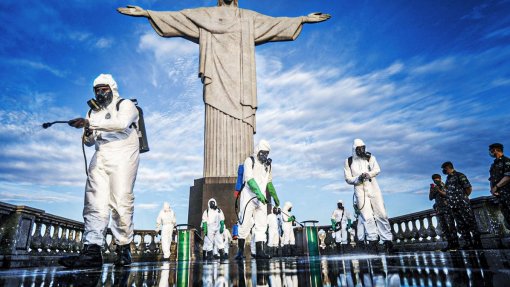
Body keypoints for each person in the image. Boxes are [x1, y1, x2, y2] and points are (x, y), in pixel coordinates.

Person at [117, 2, 330, 178]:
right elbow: (180, 19)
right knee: (216, 127)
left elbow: (274, 24)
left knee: (242, 136)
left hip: (241, 84)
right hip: (216, 83)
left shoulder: (248, 17)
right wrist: (147, 13)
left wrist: (302, 19)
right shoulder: (206, 15)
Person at [59, 74, 140, 268]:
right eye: (97, 90)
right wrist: (87, 130)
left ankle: (123, 248)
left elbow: (121, 124)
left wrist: (90, 124)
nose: (100, 93)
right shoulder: (92, 112)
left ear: (112, 88)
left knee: (121, 200)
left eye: (104, 89)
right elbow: (89, 142)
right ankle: (92, 250)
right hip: (101, 155)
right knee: (94, 202)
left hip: (123, 155)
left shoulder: (126, 104)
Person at [344, 139, 393, 253]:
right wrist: (358, 178)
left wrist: (368, 174)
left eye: (363, 148)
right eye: (359, 148)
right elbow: (347, 178)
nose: (362, 150)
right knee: (367, 217)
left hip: (373, 187)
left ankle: (387, 241)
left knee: (381, 213)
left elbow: (377, 169)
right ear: (354, 149)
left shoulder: (370, 157)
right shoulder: (349, 161)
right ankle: (373, 242)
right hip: (360, 189)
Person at [235, 139, 280, 259]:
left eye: (267, 153)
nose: (265, 155)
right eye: (263, 152)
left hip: (262, 198)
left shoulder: (268, 166)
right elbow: (249, 179)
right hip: (248, 196)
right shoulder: (249, 161)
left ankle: (260, 251)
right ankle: (240, 252)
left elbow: (269, 182)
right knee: (244, 224)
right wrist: (258, 194)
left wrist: (274, 196)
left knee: (261, 224)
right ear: (258, 150)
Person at [441, 161, 482, 249]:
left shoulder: (460, 175)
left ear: (448, 168)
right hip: (453, 205)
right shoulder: (448, 178)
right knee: (461, 225)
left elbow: (468, 188)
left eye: (444, 169)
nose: (443, 171)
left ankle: (477, 242)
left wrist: (463, 198)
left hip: (462, 204)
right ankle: (468, 243)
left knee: (470, 222)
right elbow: (448, 191)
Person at [429, 174, 459, 251]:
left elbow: (447, 195)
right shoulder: (434, 187)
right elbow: (430, 198)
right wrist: (432, 190)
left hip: (447, 209)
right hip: (439, 210)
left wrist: (438, 190)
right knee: (444, 228)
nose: (435, 181)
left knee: (451, 227)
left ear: (440, 178)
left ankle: (455, 244)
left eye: (436, 179)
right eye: (434, 180)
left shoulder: (444, 185)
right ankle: (450, 244)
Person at [488, 143, 510, 227]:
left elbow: (508, 177)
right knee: (507, 218)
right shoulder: (493, 165)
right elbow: (491, 179)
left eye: (491, 150)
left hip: (508, 193)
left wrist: (496, 187)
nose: (490, 152)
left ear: (495, 150)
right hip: (500, 196)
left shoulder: (506, 161)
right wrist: (492, 190)